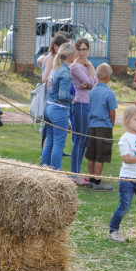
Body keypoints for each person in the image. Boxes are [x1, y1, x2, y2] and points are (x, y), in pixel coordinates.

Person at [107, 105, 136, 243]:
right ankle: (113, 230)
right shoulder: (125, 139)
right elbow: (126, 158)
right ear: (127, 120)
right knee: (124, 206)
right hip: (127, 179)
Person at [40, 42, 75, 170]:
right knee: (59, 143)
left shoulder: (56, 68)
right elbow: (63, 95)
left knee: (49, 140)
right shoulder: (65, 72)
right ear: (70, 55)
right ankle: (56, 173)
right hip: (59, 109)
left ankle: (44, 169)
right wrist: (73, 98)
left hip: (48, 108)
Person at [85, 63, 118, 191]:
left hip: (92, 125)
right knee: (101, 154)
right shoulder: (109, 93)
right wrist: (112, 124)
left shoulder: (92, 91)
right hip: (104, 126)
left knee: (91, 153)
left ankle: (91, 179)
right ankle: (98, 181)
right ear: (108, 77)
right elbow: (112, 112)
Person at [70, 38, 97, 186]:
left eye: (84, 49)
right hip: (80, 104)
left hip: (89, 105)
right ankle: (74, 174)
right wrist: (91, 70)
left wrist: (89, 82)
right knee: (79, 140)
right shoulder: (75, 67)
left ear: (88, 50)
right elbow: (92, 82)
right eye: (79, 49)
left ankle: (78, 173)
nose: (81, 52)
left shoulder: (87, 65)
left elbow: (95, 83)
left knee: (84, 141)